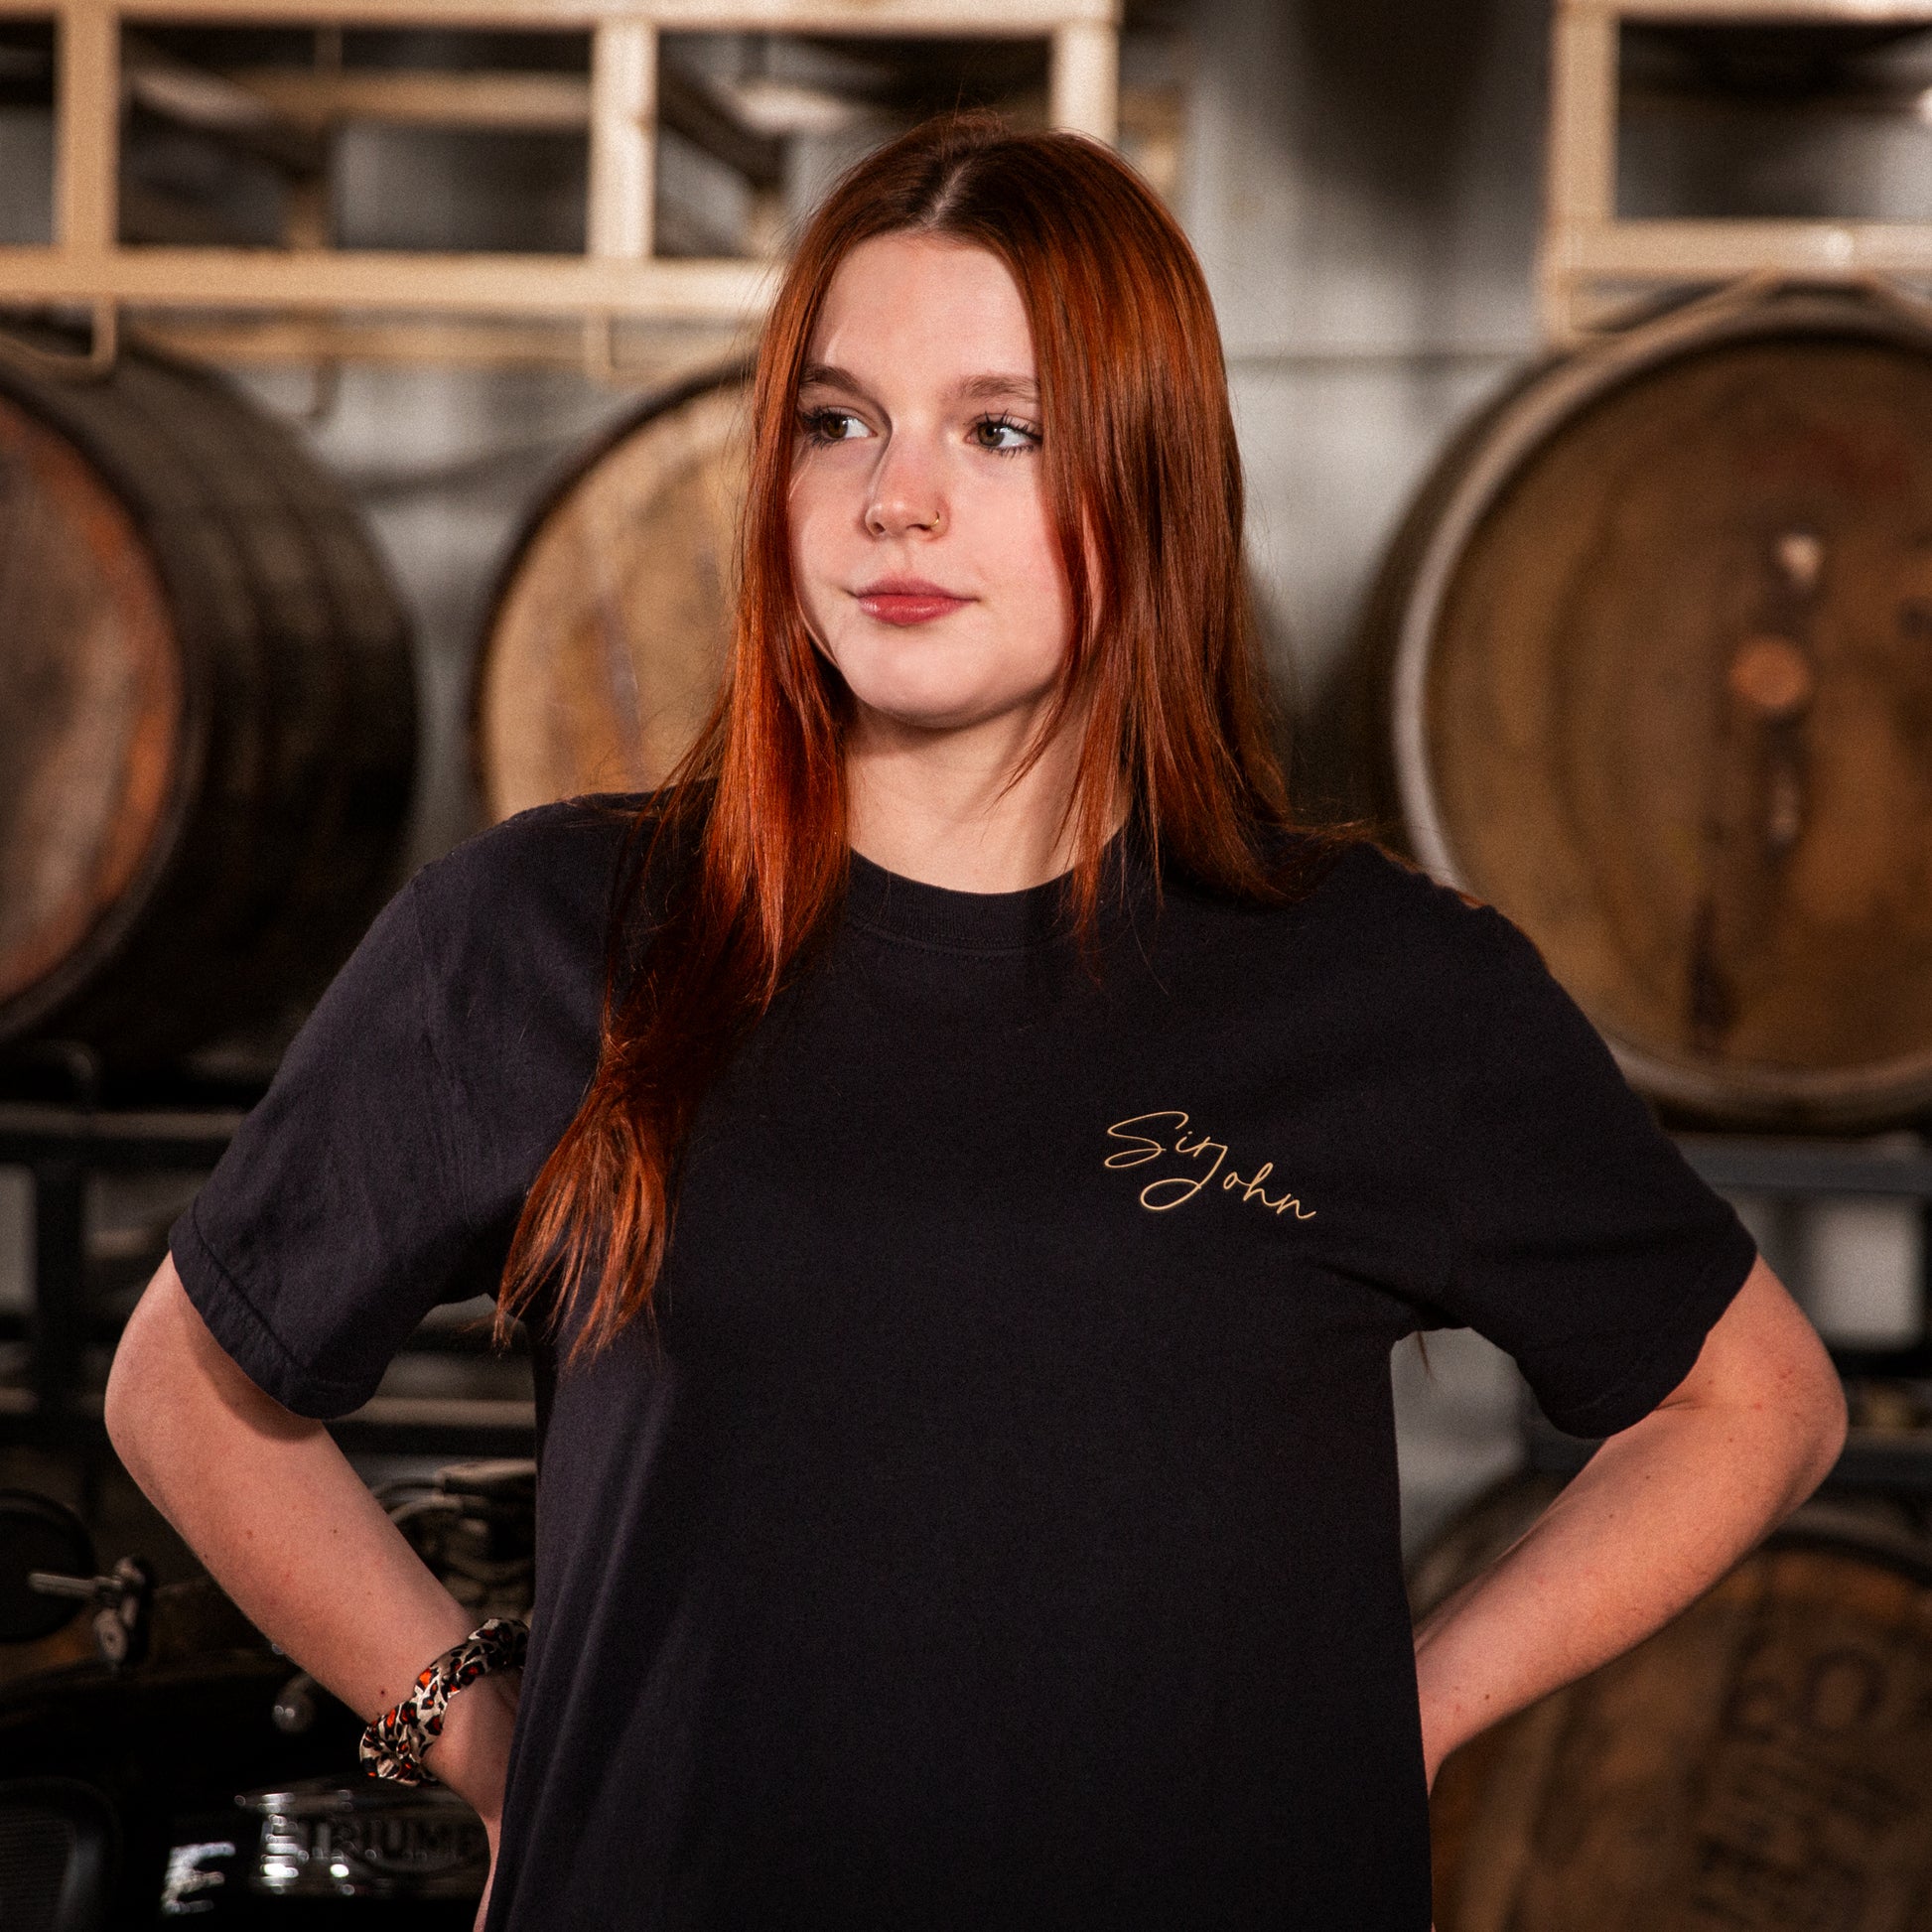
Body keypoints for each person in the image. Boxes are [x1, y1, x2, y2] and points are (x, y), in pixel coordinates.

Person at [105, 113, 1846, 1931]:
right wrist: (485, 1742)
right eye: (836, 421)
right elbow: (185, 1388)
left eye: (1000, 430)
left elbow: (1752, 1402)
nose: (894, 502)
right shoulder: (548, 933)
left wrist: (1396, 1722)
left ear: (1153, 480)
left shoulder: (1380, 986)